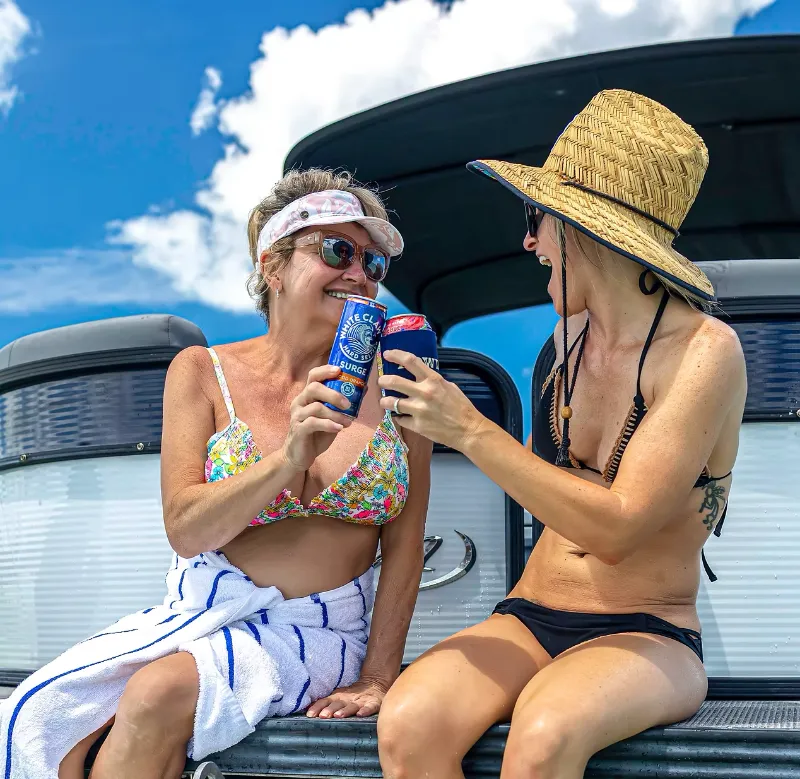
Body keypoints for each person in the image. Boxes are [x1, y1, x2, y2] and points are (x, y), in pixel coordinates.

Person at [1, 170, 431, 779]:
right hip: (203, 611)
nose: (360, 273)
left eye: (373, 262)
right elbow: (186, 529)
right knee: (43, 713)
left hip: (325, 629)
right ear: (274, 265)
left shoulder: (399, 386)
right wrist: (289, 459)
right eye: (337, 250)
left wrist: (380, 675)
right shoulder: (201, 372)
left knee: (156, 696)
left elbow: (406, 548)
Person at [376, 90, 745, 779]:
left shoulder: (705, 351)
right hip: (530, 613)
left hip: (649, 630)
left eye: (536, 218)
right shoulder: (567, 336)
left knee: (543, 734)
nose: (529, 242)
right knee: (408, 721)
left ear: (580, 227)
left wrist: (469, 428)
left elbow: (617, 529)